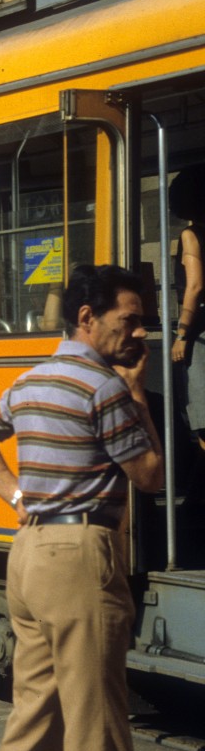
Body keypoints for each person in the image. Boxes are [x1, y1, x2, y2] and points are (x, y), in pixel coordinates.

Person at [0, 264, 164, 751]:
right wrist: (137, 391)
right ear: (88, 317)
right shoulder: (104, 387)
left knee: (35, 715)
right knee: (96, 723)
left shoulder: (30, 381)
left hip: (29, 554)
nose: (136, 331)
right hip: (79, 558)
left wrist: (18, 497)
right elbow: (150, 475)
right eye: (129, 319)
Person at [170, 164, 205, 505]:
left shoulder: (190, 235)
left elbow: (194, 285)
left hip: (201, 332)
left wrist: (182, 333)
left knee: (202, 417)